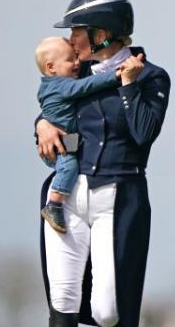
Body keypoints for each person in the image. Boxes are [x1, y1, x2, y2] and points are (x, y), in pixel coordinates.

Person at [35, 0, 171, 327]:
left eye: (78, 31)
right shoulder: (77, 74)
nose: (72, 40)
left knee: (108, 307)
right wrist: (39, 125)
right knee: (64, 296)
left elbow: (142, 135)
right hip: (68, 196)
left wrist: (128, 86)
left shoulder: (152, 77)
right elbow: (54, 109)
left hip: (120, 194)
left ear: (102, 33)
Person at [35, 37, 143, 233]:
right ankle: (54, 204)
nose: (77, 63)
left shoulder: (48, 85)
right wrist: (116, 75)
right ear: (51, 67)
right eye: (70, 60)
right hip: (61, 144)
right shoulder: (62, 85)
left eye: (76, 57)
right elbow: (87, 85)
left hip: (65, 140)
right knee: (69, 166)